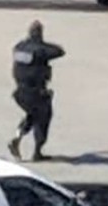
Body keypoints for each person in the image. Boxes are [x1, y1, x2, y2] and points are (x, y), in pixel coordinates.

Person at [7, 21, 66, 162]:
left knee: (33, 115)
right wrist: (42, 43)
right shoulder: (40, 50)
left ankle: (17, 137)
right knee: (43, 118)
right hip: (36, 92)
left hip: (20, 93)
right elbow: (59, 51)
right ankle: (37, 152)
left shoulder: (19, 47)